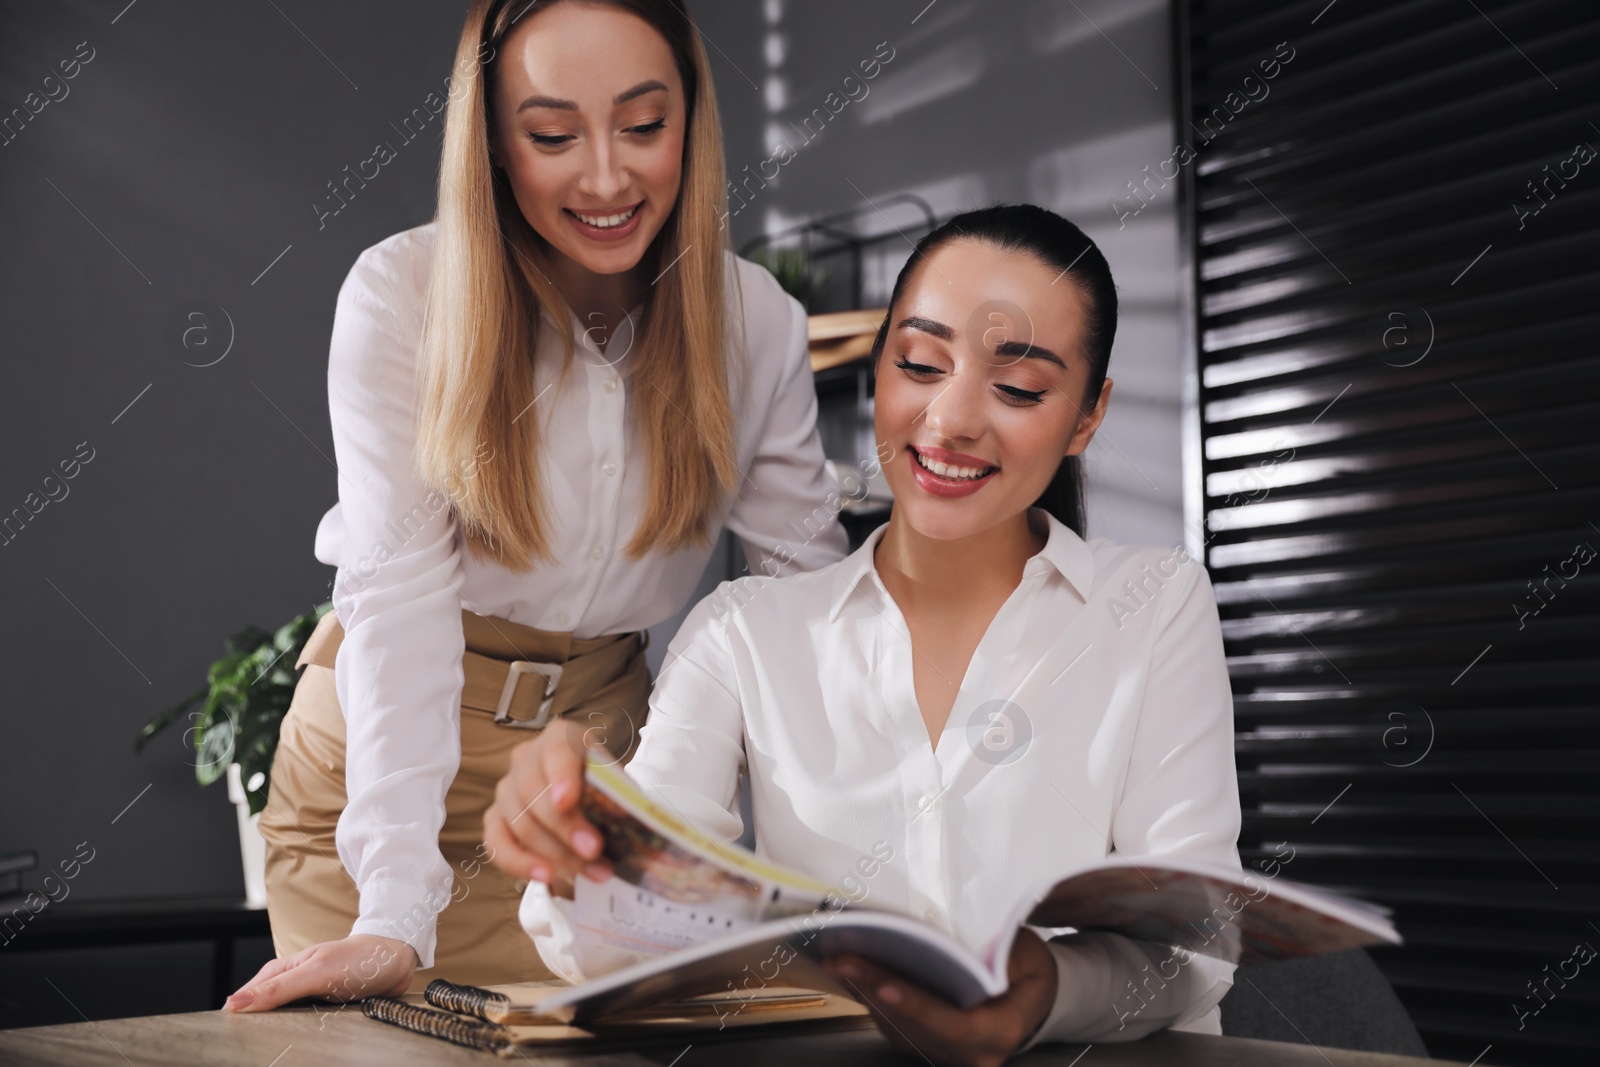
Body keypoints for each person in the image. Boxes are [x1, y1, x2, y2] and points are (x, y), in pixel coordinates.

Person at [486, 204, 1244, 1063]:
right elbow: (626, 936)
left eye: (1020, 387)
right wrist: (580, 844)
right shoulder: (745, 633)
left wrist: (1046, 992)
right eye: (919, 362)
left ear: (1086, 417)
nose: (951, 419)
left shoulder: (1154, 604)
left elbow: (1194, 948)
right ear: (881, 365)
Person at [228, 0, 847, 1013]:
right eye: (553, 134)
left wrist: (851, 887)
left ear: (690, 123)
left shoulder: (757, 325)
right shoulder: (401, 296)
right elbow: (399, 603)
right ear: (494, 146)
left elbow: (804, 609)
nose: (606, 177)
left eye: (644, 126)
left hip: (589, 780)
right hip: (381, 776)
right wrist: (392, 909)